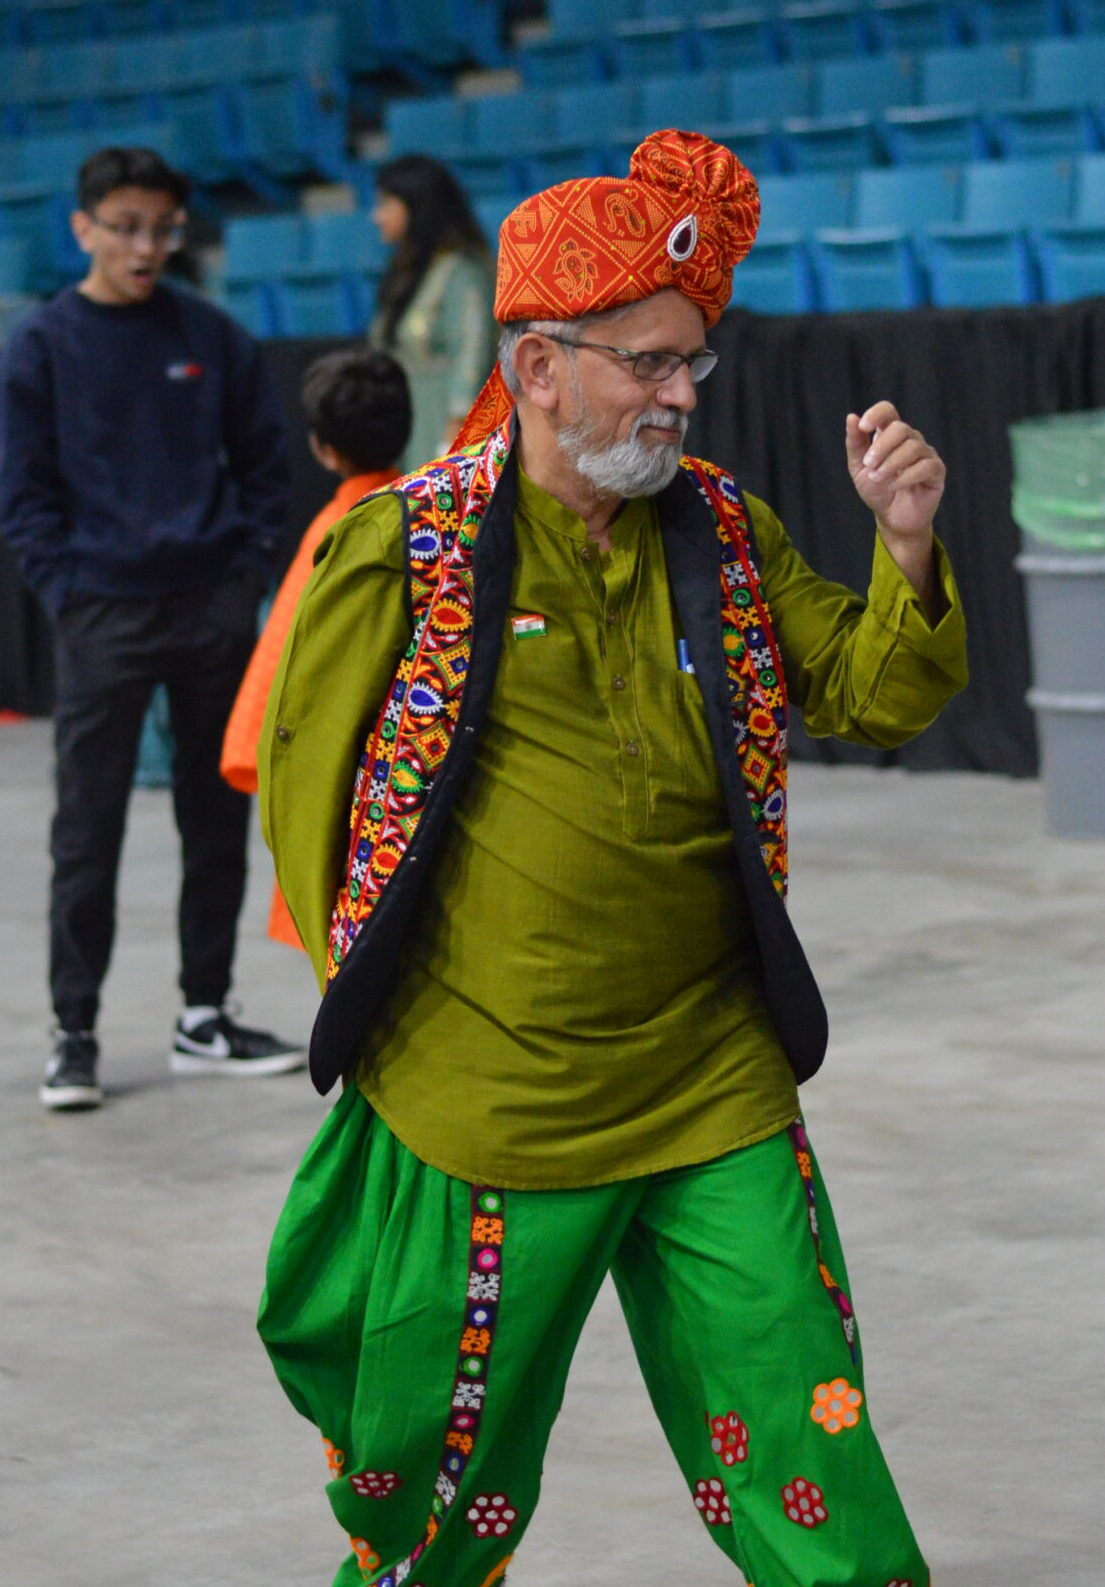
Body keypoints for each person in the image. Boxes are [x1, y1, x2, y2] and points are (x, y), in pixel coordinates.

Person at [256, 130, 968, 1587]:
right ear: (534, 364)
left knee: (805, 1430)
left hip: (714, 1069)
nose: (679, 393)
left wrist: (904, 542)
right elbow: (307, 801)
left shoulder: (718, 524)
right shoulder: (408, 551)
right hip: (492, 1097)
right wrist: (393, 1010)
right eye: (646, 361)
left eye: (691, 362)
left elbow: (871, 688)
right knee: (440, 1494)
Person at [0, 145, 304, 1112]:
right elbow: (22, 492)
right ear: (82, 227)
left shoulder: (210, 336)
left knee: (214, 820)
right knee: (86, 832)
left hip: (209, 607)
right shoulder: (40, 346)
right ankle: (73, 1031)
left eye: (163, 229)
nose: (145, 247)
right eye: (126, 227)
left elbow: (266, 465)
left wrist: (244, 574)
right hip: (102, 615)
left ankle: (203, 1013)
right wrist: (68, 591)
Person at [220, 346, 412, 947]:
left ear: (321, 448)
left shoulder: (334, 529)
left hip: (347, 765)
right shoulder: (441, 511)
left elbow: (286, 659)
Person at [370, 154, 496, 471]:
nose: (376, 216)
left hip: (446, 438)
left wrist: (451, 447)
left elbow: (472, 356)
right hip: (408, 433)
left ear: (416, 205)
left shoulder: (461, 273)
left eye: (386, 203)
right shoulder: (407, 272)